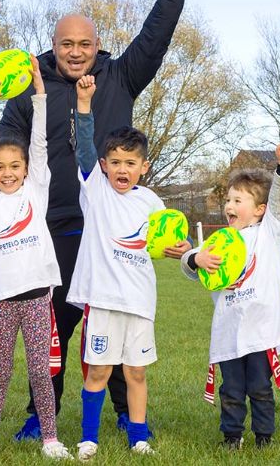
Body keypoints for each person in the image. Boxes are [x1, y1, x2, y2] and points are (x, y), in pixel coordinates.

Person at [0, 0, 192, 439]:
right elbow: (7, 155)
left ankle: (128, 415)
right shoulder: (28, 86)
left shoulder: (120, 76)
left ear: (96, 45)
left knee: (121, 323)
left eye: (85, 44)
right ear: (54, 45)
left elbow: (155, 39)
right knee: (54, 330)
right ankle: (40, 415)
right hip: (55, 228)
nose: (77, 52)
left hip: (114, 230)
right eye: (67, 45)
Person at [67, 75, 191, 459]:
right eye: (115, 162)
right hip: (104, 301)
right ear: (104, 165)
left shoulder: (153, 202)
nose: (122, 169)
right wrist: (84, 104)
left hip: (139, 302)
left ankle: (139, 437)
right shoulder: (96, 188)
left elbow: (167, 243)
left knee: (136, 372)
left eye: (130, 163)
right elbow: (84, 148)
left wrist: (183, 249)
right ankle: (89, 438)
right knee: (99, 373)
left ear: (144, 166)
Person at [0, 58, 73, 462]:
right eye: (0, 168)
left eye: (15, 166)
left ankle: (50, 439)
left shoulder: (36, 190)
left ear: (27, 170)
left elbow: (41, 142)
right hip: (3, 300)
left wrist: (40, 93)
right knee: (0, 373)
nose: (7, 173)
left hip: (37, 297)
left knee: (41, 372)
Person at [180, 145, 280, 451]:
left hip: (260, 329)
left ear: (259, 209)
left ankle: (264, 437)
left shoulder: (269, 232)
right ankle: (232, 436)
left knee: (260, 387)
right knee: (230, 388)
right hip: (229, 329)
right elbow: (191, 264)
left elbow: (279, 199)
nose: (229, 205)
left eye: (238, 200)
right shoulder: (220, 240)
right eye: (228, 200)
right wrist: (196, 260)